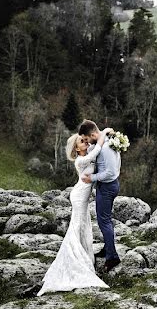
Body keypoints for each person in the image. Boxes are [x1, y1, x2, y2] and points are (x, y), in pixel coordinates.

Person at [37, 129, 113, 295]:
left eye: (85, 140)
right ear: (77, 149)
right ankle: (74, 261)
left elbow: (99, 148)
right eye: (82, 141)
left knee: (83, 227)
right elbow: (97, 151)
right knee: (76, 227)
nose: (85, 142)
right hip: (78, 197)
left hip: (82, 198)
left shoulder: (88, 152)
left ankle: (84, 259)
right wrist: (104, 133)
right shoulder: (80, 160)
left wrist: (109, 137)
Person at [79, 119, 121, 271]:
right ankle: (108, 248)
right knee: (106, 219)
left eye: (87, 139)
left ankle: (112, 258)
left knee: (104, 221)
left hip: (108, 186)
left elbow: (109, 172)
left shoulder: (105, 148)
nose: (87, 142)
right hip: (111, 184)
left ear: (92, 134)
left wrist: (92, 178)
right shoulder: (107, 141)